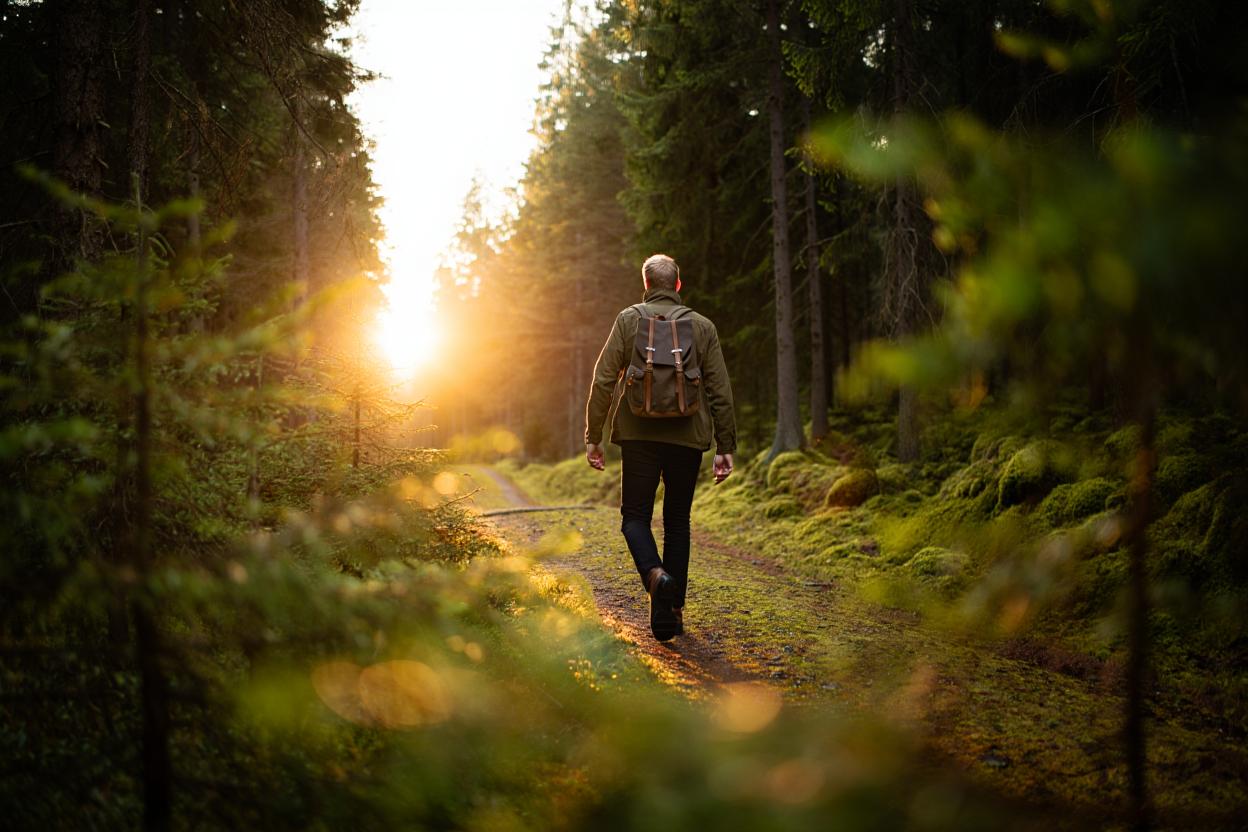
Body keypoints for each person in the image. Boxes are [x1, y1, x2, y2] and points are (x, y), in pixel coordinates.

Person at [584, 253, 737, 642]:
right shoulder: (702, 327)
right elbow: (719, 389)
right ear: (678, 285)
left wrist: (593, 435)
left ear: (647, 285)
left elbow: (603, 380)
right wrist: (725, 445)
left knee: (635, 516)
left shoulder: (628, 319)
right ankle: (672, 610)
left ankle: (655, 576)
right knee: (677, 522)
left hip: (638, 434)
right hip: (688, 436)